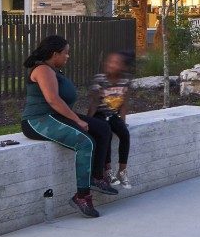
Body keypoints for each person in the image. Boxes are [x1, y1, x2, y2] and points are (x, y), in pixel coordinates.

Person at [20, 35, 118, 218]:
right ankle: (82, 196)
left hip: (55, 117)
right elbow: (52, 99)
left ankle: (97, 177)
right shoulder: (42, 70)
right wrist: (78, 121)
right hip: (38, 120)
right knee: (85, 142)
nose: (67, 56)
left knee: (103, 128)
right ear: (55, 53)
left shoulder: (53, 70)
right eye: (66, 53)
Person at [87, 51, 134, 189]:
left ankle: (122, 171)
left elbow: (124, 104)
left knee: (124, 134)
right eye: (110, 62)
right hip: (99, 114)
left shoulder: (125, 81)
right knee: (105, 132)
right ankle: (107, 170)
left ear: (123, 67)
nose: (112, 65)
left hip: (112, 114)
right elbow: (94, 103)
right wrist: (88, 121)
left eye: (116, 63)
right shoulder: (100, 79)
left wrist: (122, 122)